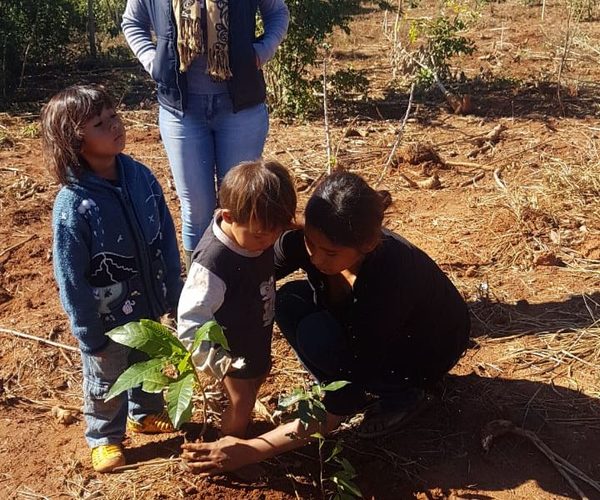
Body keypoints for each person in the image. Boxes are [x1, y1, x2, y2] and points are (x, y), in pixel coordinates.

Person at [180, 170, 470, 474]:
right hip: (370, 330)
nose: (316, 259)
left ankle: (402, 396)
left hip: (423, 351)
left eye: (330, 253)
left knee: (320, 340)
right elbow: (252, 272)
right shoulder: (313, 241)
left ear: (368, 245)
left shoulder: (391, 279)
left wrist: (252, 450)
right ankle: (338, 376)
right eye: (310, 245)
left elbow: (337, 411)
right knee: (289, 300)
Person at [43, 85, 183, 473]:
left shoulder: (140, 176)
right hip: (106, 318)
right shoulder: (74, 204)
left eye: (114, 117)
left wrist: (174, 287)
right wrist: (88, 331)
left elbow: (165, 234)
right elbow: (70, 275)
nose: (116, 126)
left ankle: (145, 412)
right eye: (100, 124)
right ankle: (105, 436)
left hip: (148, 301)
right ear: (76, 141)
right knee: (106, 377)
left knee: (149, 360)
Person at [122, 0, 290, 269]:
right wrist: (153, 61)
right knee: (196, 209)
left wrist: (261, 52)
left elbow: (277, 12)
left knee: (240, 206)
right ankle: (200, 295)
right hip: (181, 111)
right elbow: (132, 22)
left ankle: (240, 288)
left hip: (240, 108)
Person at [177, 159, 297, 438]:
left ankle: (236, 430)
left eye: (276, 232)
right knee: (241, 402)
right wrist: (217, 362)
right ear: (229, 217)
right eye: (261, 235)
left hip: (255, 338)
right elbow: (190, 321)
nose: (270, 242)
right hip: (230, 353)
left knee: (257, 378)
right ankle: (230, 449)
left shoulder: (257, 231)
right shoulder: (214, 263)